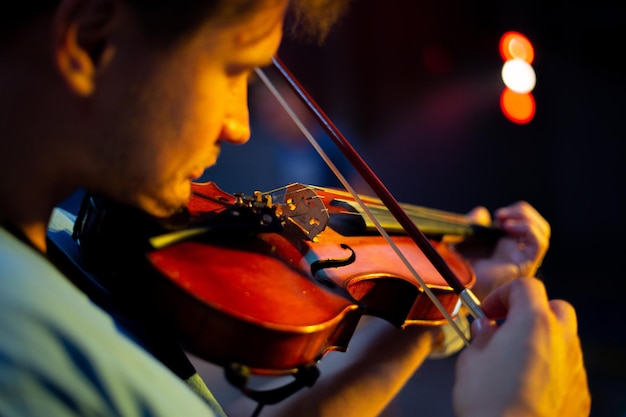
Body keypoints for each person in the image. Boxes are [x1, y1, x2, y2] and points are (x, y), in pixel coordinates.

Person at [0, 1, 590, 417]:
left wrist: (425, 305)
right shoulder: (19, 353)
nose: (239, 125)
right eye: (235, 70)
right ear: (90, 41)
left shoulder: (54, 242)